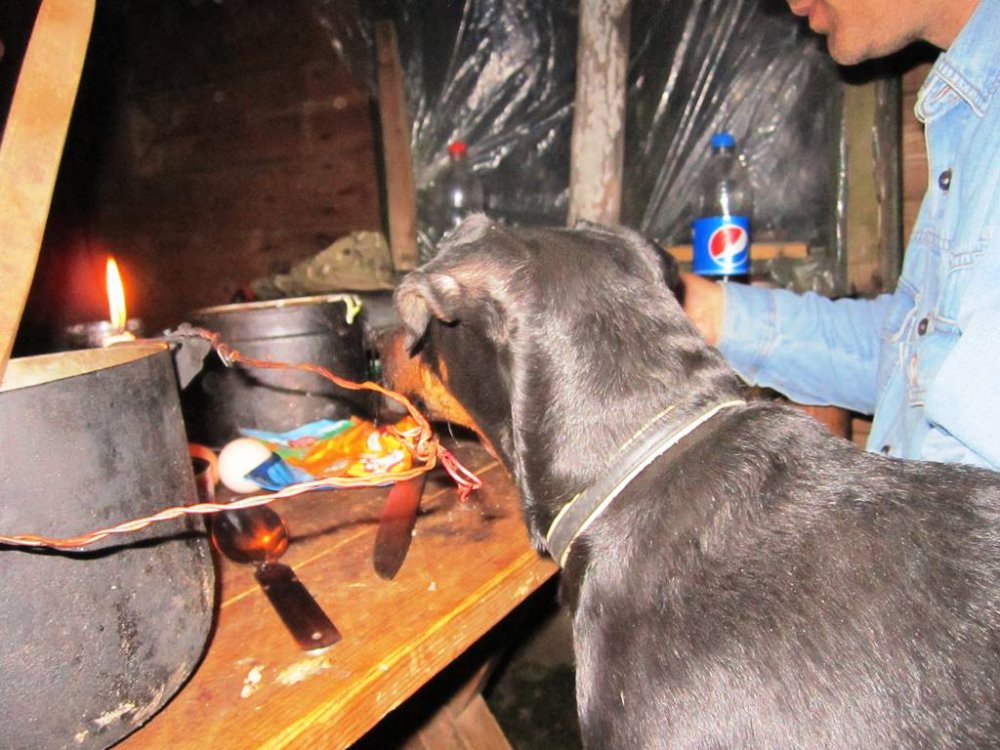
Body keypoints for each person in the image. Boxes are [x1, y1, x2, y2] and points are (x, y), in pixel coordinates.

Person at [682, 0, 1000, 471]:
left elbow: (971, 497)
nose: (793, 3)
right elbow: (906, 352)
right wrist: (706, 312)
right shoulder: (974, 109)